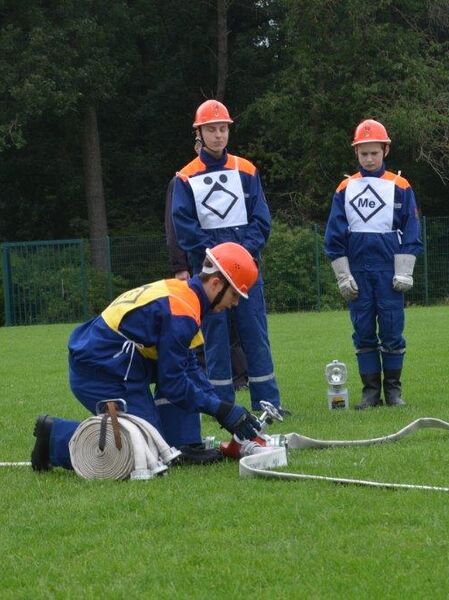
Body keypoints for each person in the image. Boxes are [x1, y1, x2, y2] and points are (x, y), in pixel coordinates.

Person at [30, 242, 263, 472]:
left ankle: (185, 443)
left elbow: (188, 369)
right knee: (146, 454)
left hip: (116, 363)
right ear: (215, 283)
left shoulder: (184, 296)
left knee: (161, 445)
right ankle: (54, 438)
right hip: (102, 371)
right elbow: (173, 383)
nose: (234, 304)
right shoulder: (181, 313)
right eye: (234, 295)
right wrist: (222, 411)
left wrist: (226, 410)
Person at [170, 99, 283, 412]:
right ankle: (220, 405)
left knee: (256, 335)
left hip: (246, 271)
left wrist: (242, 254)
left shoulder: (246, 169)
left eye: (223, 129)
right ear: (200, 133)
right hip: (209, 274)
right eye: (211, 129)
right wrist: (218, 258)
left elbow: (261, 219)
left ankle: (268, 403)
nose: (218, 135)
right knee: (215, 340)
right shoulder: (185, 177)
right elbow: (184, 225)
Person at [324, 119, 423, 409]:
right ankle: (370, 392)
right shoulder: (345, 188)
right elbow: (334, 235)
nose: (369, 159)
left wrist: (406, 271)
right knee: (363, 331)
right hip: (358, 273)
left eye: (374, 153)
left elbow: (412, 231)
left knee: (392, 331)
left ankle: (393, 391)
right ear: (356, 153)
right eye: (363, 153)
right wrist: (342, 275)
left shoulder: (401, 186)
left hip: (389, 273)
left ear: (385, 150)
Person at [165, 177, 249, 391]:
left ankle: (238, 378)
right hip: (200, 267)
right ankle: (213, 382)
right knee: (206, 330)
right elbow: (176, 228)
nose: (235, 303)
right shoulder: (183, 181)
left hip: (221, 267)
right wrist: (180, 265)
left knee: (228, 329)